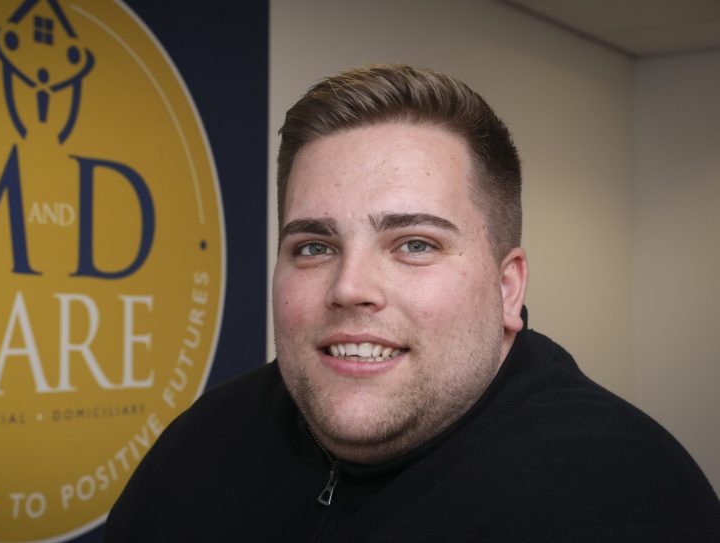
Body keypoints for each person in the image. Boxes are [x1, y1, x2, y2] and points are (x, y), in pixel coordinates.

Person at [103, 64, 720, 542]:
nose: (350, 288)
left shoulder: (620, 501)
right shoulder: (201, 444)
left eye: (415, 244)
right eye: (314, 247)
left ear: (507, 288)